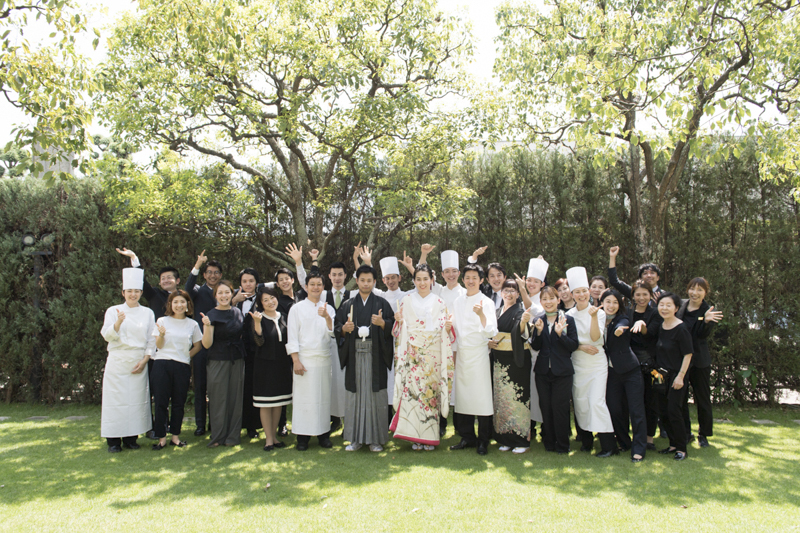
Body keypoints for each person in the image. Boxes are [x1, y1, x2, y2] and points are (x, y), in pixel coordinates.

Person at [116, 247, 182, 439]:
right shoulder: (154, 295)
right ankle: (154, 427)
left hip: (176, 352)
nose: (166, 280)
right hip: (154, 351)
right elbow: (141, 282)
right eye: (163, 278)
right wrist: (134, 259)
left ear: (177, 280)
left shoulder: (182, 298)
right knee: (155, 391)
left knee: (174, 392)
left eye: (170, 277)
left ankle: (171, 427)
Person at [391, 264, 454, 450]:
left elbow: (445, 329)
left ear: (432, 280)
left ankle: (430, 436)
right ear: (414, 281)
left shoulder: (440, 302)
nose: (422, 282)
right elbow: (399, 329)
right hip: (413, 353)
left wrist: (447, 328)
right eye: (418, 279)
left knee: (430, 395)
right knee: (413, 394)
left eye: (426, 279)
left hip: (433, 354)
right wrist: (399, 321)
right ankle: (414, 437)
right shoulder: (407, 300)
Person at [335, 265, 396, 452]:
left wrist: (383, 323)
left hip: (375, 357)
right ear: (357, 281)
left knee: (375, 397)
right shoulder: (347, 305)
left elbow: (393, 326)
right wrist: (344, 329)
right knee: (355, 397)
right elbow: (338, 327)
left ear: (375, 282)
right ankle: (355, 439)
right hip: (354, 357)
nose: (366, 283)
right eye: (362, 280)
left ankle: (375, 439)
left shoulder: (382, 303)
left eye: (369, 280)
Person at [100, 268, 155, 452]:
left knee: (136, 401)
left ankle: (131, 438)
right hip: (117, 360)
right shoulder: (113, 311)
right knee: (115, 401)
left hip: (138, 360)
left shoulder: (147, 313)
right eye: (129, 291)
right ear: (123, 292)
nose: (133, 294)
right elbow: (107, 335)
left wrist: (145, 360)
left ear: (141, 293)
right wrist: (118, 323)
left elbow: (151, 338)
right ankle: (113, 441)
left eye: (136, 291)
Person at [565, 267, 618, 457]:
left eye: (584, 291)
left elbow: (596, 338)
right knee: (580, 402)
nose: (581, 295)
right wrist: (580, 347)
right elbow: (567, 341)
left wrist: (594, 316)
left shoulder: (599, 312)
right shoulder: (568, 315)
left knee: (596, 402)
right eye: (577, 292)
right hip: (578, 362)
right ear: (572, 294)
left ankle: (609, 446)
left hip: (596, 362)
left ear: (589, 292)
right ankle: (586, 442)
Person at [450, 263, 498, 456]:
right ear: (463, 279)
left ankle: (483, 440)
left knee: (481, 397)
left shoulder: (487, 302)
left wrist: (481, 314)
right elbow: (455, 329)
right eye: (468, 278)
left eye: (474, 278)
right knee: (463, 397)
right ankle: (467, 437)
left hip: (479, 354)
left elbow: (491, 331)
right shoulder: (458, 302)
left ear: (481, 280)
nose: (471, 281)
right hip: (462, 354)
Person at [286, 272, 337, 451]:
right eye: (312, 284)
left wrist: (327, 317)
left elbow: (333, 333)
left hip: (323, 359)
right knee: (304, 399)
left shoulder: (329, 309)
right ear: (306, 287)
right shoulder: (297, 309)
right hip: (304, 359)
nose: (316, 287)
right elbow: (292, 336)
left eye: (319, 284)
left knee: (323, 398)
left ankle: (323, 435)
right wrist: (295, 360)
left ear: (323, 287)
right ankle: (302, 437)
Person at [150, 290, 203, 450]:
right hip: (162, 364)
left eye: (182, 302)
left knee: (179, 403)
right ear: (170, 305)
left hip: (182, 366)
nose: (179, 305)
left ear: (188, 305)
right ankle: (161, 438)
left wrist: (185, 356)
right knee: (161, 402)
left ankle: (175, 437)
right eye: (175, 302)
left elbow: (198, 346)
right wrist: (161, 335)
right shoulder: (162, 321)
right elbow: (158, 346)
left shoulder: (192, 324)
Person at [530, 286, 579, 454]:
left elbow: (573, 345)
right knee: (546, 407)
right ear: (540, 302)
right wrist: (538, 332)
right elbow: (536, 346)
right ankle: (549, 442)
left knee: (560, 408)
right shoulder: (539, 319)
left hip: (562, 372)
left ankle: (563, 444)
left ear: (558, 300)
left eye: (551, 298)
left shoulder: (568, 319)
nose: (548, 302)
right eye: (544, 299)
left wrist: (560, 335)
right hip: (543, 371)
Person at [601, 289, 647, 462]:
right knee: (614, 409)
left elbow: (623, 324)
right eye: (608, 302)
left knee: (636, 411)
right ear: (602, 303)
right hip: (611, 373)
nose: (611, 305)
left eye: (615, 302)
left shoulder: (623, 318)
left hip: (630, 371)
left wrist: (619, 330)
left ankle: (639, 448)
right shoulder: (597, 319)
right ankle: (624, 442)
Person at [677, 278, 723, 448]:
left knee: (702, 399)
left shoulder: (709, 311)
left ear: (705, 293)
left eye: (699, 290)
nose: (695, 293)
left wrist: (706, 321)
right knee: (680, 398)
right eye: (692, 288)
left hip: (699, 361)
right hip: (681, 359)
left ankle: (704, 434)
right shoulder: (680, 305)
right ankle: (685, 432)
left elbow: (701, 335)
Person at [200, 280, 246, 447]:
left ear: (232, 294)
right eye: (220, 293)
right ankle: (218, 437)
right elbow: (206, 344)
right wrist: (207, 326)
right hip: (217, 360)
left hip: (237, 359)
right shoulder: (211, 314)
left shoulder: (237, 312)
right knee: (218, 399)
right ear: (215, 295)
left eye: (227, 292)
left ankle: (233, 437)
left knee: (235, 399)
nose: (224, 295)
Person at [246, 286, 292, 451]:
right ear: (261, 303)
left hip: (282, 366)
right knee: (266, 404)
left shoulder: (284, 317)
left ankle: (274, 436)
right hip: (264, 367)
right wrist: (257, 323)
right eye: (265, 300)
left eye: (272, 298)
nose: (270, 302)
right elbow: (258, 342)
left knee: (278, 403)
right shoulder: (258, 318)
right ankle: (268, 440)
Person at [489, 279, 532, 453]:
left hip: (516, 360)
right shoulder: (497, 311)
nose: (509, 293)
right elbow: (490, 331)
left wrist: (523, 322)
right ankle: (505, 438)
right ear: (501, 293)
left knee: (517, 398)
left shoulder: (520, 311)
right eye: (506, 290)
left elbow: (520, 331)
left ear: (517, 294)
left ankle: (521, 440)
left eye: (513, 290)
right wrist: (489, 342)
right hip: (499, 360)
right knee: (502, 399)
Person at [653, 292, 694, 461]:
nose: (664, 308)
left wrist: (681, 376)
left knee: (674, 411)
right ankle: (672, 444)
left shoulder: (681, 328)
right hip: (660, 375)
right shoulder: (661, 326)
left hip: (677, 375)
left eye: (668, 305)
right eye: (661, 305)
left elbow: (688, 354)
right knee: (663, 411)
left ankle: (682, 448)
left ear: (676, 308)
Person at [185, 250, 222, 436]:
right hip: (200, 345)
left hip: (219, 346)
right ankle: (200, 425)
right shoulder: (198, 291)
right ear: (205, 275)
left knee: (216, 388)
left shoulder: (224, 292)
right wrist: (198, 265)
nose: (212, 275)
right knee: (200, 386)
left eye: (216, 272)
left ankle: (215, 424)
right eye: (209, 272)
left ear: (220, 275)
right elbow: (186, 289)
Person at [628, 280, 663, 450]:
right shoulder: (627, 313)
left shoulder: (655, 313)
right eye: (638, 294)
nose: (641, 298)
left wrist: (642, 325)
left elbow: (651, 334)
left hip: (650, 363)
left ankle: (649, 438)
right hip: (629, 362)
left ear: (650, 295)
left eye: (645, 294)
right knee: (632, 402)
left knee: (650, 401)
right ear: (633, 296)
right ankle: (631, 436)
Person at [233, 267, 262, 440]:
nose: (248, 284)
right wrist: (233, 301)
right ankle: (235, 425)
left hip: (254, 350)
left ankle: (252, 426)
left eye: (251, 281)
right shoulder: (232, 299)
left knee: (251, 387)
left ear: (256, 283)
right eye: (244, 281)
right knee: (236, 388)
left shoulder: (261, 299)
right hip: (235, 350)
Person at [521, 257, 548, 443]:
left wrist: (523, 291)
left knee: (541, 392)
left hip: (540, 353)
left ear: (542, 284)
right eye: (529, 280)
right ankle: (528, 428)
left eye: (536, 281)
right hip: (523, 353)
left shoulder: (545, 300)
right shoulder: (518, 297)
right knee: (527, 391)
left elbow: (533, 310)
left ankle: (546, 430)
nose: (531, 284)